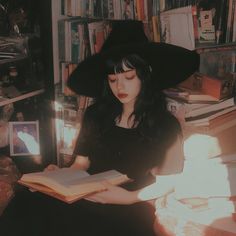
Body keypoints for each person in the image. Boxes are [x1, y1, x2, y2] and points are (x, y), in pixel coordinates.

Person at [0, 21, 199, 236]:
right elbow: (81, 164)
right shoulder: (96, 115)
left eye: (129, 77)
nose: (119, 87)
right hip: (87, 193)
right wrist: (57, 180)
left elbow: (167, 183)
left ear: (145, 74)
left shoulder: (164, 125)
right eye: (113, 79)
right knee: (27, 203)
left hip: (131, 204)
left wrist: (127, 197)